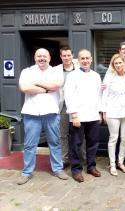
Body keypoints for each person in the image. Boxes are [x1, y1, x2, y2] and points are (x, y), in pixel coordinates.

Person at [17, 48, 69, 185]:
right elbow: (25, 88)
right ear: (35, 57)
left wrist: (36, 83)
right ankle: (27, 172)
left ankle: (58, 169)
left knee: (55, 143)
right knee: (29, 145)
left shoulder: (56, 72)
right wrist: (47, 89)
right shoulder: (27, 71)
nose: (42, 58)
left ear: (49, 58)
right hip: (31, 113)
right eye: (39, 56)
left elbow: (57, 85)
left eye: (44, 56)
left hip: (51, 113)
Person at [64, 49, 103, 183]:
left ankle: (91, 167)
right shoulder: (72, 76)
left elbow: (99, 95)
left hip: (93, 115)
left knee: (93, 143)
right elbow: (68, 96)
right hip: (78, 116)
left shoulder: (96, 75)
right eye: (82, 58)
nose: (85, 61)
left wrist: (99, 113)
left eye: (87, 58)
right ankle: (76, 170)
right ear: (78, 60)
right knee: (76, 144)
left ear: (91, 59)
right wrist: (74, 115)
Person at [54, 45, 86, 169]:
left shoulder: (80, 67)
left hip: (78, 107)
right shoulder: (55, 70)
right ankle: (64, 159)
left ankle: (82, 158)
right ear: (61, 56)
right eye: (64, 55)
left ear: (72, 56)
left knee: (80, 134)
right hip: (62, 106)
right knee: (62, 134)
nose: (67, 58)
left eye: (69, 55)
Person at [101, 54, 125, 176]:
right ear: (113, 65)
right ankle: (112, 164)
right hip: (112, 112)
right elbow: (104, 95)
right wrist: (103, 111)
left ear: (124, 63)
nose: (118, 65)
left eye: (120, 62)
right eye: (116, 63)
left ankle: (121, 162)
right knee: (113, 138)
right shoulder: (109, 77)